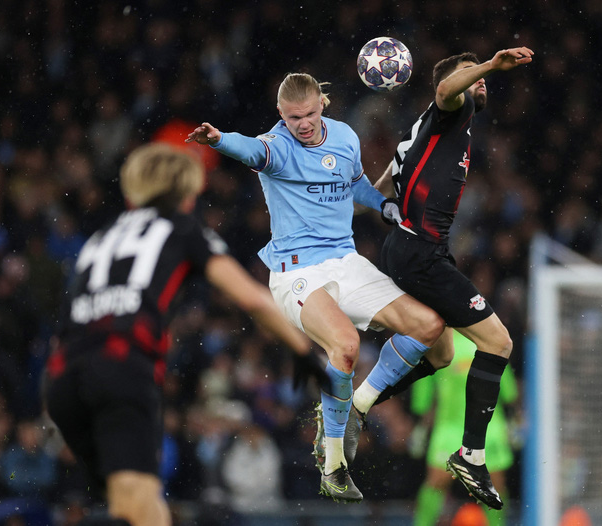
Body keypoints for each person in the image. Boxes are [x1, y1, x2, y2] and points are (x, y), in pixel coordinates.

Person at [185, 72, 445, 503]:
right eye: (292, 118)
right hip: (296, 273)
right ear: (280, 116)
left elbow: (355, 183)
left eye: (308, 115)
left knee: (428, 325)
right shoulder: (278, 148)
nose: (302, 125)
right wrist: (217, 140)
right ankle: (333, 459)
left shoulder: (343, 137)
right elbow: (250, 148)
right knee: (343, 346)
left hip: (346, 262)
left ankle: (357, 405)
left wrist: (383, 204)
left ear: (322, 107)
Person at [42, 143, 328, 526]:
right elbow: (253, 299)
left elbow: (66, 323)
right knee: (138, 502)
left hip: (63, 380)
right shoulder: (180, 227)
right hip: (121, 367)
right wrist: (304, 351)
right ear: (189, 192)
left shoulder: (101, 237)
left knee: (134, 505)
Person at [348, 47, 534, 510]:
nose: (482, 86)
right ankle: (471, 455)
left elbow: (379, 187)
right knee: (499, 343)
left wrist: (365, 205)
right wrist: (489, 65)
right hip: (421, 254)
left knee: (443, 349)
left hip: (408, 249)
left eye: (483, 79)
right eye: (473, 78)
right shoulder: (451, 108)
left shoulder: (421, 135)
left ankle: (355, 406)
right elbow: (447, 88)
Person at [411, 331, 518, 526]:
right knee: (486, 488)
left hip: (476, 429)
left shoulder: (439, 341)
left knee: (440, 484)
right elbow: (510, 393)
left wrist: (420, 417)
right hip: (469, 427)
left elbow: (421, 400)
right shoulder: (488, 337)